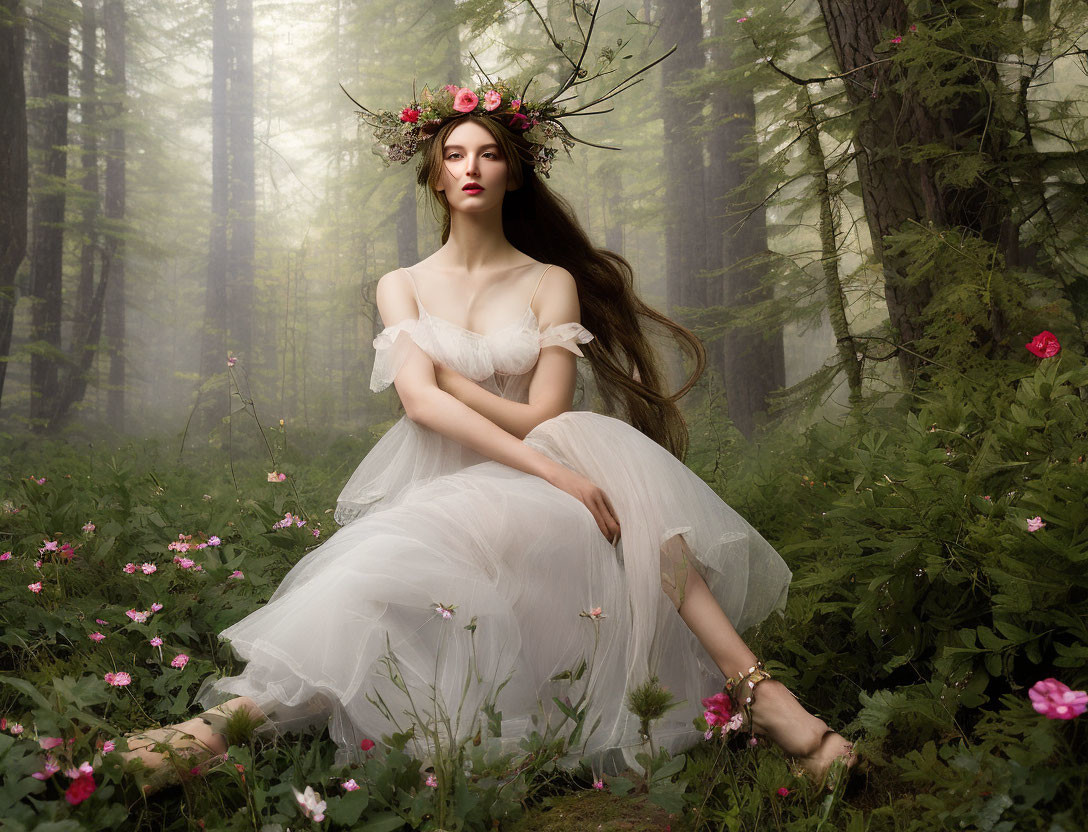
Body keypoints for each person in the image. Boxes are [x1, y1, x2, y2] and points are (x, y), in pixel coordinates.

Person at [118, 80, 858, 797]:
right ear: (435, 176)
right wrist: (475, 412)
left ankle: (762, 692)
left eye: (489, 155)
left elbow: (546, 414)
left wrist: (490, 415)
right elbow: (419, 405)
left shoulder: (549, 282)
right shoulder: (401, 283)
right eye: (456, 155)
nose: (472, 168)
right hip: (447, 494)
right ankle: (221, 725)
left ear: (514, 172)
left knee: (606, 453)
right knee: (372, 584)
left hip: (548, 499)